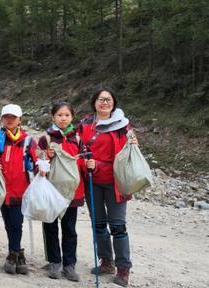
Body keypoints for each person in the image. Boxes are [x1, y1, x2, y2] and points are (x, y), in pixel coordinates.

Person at [77, 87, 138, 287]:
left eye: (108, 99)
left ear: (114, 103)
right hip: (92, 180)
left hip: (116, 182)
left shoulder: (123, 126)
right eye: (101, 99)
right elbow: (73, 143)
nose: (105, 102)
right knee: (99, 224)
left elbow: (128, 155)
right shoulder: (85, 123)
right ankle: (106, 262)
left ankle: (123, 268)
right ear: (94, 102)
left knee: (118, 225)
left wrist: (134, 145)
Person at [0, 104, 37, 275]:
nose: (9, 120)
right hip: (2, 189)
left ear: (20, 120)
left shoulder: (28, 140)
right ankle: (17, 254)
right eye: (6, 117)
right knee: (9, 223)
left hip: (21, 190)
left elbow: (37, 162)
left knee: (16, 223)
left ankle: (14, 253)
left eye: (13, 117)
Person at [37, 101, 85, 282]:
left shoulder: (77, 139)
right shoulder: (47, 138)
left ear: (72, 117)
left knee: (70, 229)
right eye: (59, 115)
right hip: (51, 190)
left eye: (67, 115)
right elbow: (37, 159)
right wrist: (45, 157)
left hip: (72, 192)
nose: (63, 118)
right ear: (53, 117)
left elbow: (84, 161)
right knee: (50, 227)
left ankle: (69, 264)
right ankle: (54, 261)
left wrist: (89, 166)